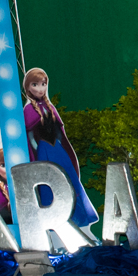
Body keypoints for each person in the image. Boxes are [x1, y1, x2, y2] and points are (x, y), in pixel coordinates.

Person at [23, 67, 98, 228]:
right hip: (44, 152)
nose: (40, 89)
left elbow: (60, 132)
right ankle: (53, 221)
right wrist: (37, 151)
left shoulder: (50, 108)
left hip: (58, 150)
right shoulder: (28, 110)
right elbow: (29, 137)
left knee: (68, 181)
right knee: (49, 184)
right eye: (35, 84)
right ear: (28, 87)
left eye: (43, 84)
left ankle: (78, 220)